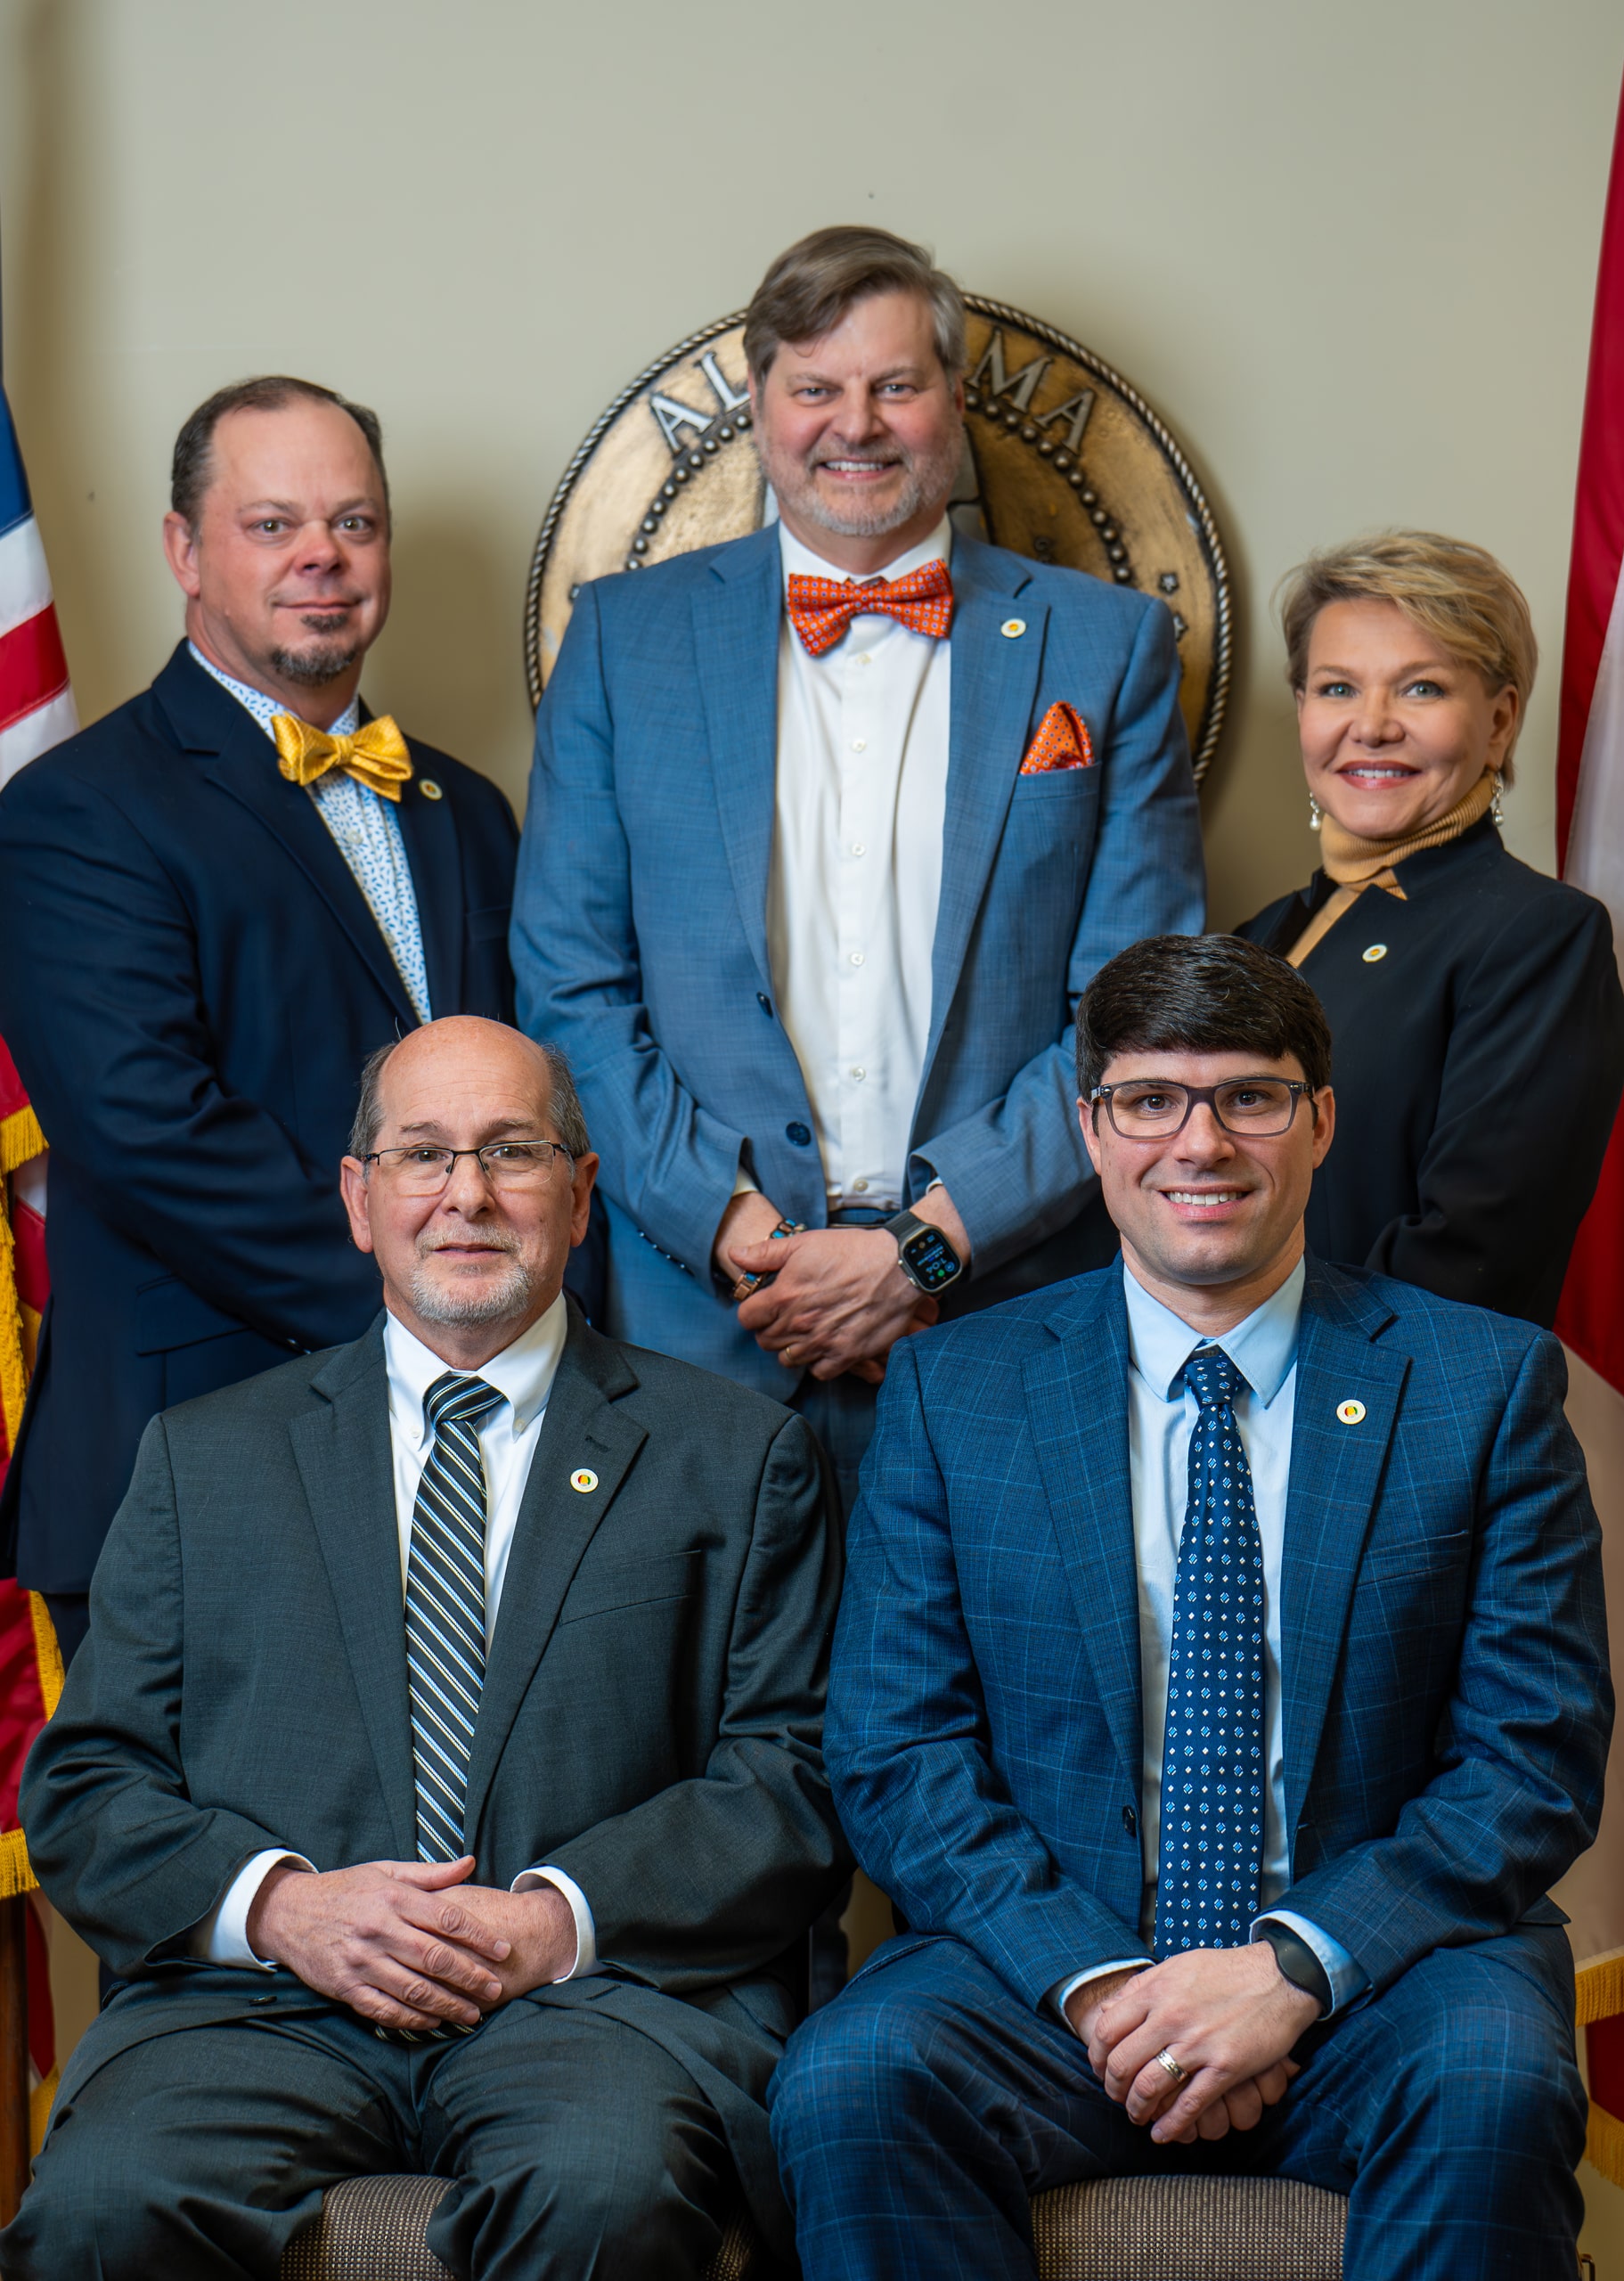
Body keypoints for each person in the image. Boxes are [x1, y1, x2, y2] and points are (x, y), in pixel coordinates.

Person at [767, 932, 1611, 2281]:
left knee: (1495, 2077)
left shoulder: (1482, 1384)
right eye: (1150, 1099)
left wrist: (1288, 1971)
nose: (1198, 1143)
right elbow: (896, 1752)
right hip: (1052, 1981)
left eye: (1248, 1097)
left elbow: (1530, 1759)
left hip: (1379, 1977)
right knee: (853, 2078)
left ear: (1319, 1121)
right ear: (1090, 1128)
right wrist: (1107, 1990)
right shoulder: (954, 1393)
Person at [3, 1016, 845, 2281]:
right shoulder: (205, 1457)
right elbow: (84, 1789)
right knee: (98, 2209)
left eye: (512, 1151)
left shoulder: (735, 1456)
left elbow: (795, 1777)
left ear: (579, 1193)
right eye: (421, 1155)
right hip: (257, 2012)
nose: (467, 1194)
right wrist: (283, 1910)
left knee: (606, 2194)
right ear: (359, 1198)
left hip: (595, 2007)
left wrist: (549, 1921)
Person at [512, 225, 1204, 1510]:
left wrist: (923, 1255)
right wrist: (751, 1245)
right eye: (816, 388)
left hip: (998, 1309)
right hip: (702, 1325)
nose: (858, 424)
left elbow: (1136, 1013)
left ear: (952, 401)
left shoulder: (1105, 649)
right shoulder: (622, 641)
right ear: (762, 408)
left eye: (896, 384)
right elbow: (570, 989)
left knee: (1006, 1708)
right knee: (703, 1713)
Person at [0, 375, 522, 1662]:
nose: (322, 561)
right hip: (193, 1450)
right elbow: (148, 1131)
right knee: (226, 1870)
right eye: (273, 524)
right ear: (184, 548)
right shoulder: (74, 811)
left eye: (353, 523)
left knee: (439, 1862)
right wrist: (449, 1311)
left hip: (458, 1449)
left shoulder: (469, 808)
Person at [1236, 528, 1624, 1327]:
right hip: (1214, 1410)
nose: (1371, 726)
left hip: (1382, 1419)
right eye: (1336, 688)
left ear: (1497, 722)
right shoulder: (1260, 937)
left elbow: (1470, 1256)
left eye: (1420, 689)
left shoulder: (1542, 936)